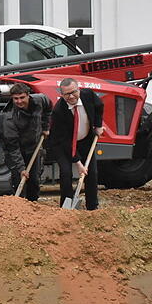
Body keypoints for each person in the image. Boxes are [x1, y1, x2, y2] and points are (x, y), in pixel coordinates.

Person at [49, 78, 104, 210]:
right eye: (67, 94)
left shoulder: (88, 95)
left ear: (78, 89)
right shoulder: (58, 111)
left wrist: (98, 125)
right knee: (66, 173)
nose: (71, 96)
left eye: (74, 92)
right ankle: (67, 206)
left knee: (92, 173)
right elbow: (65, 141)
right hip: (62, 145)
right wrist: (78, 163)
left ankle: (92, 206)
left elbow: (99, 106)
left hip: (85, 140)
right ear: (62, 95)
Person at [0, 82, 52, 201]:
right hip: (15, 150)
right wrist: (21, 168)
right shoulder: (9, 117)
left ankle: (33, 205)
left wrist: (45, 126)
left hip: (34, 147)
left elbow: (49, 107)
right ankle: (19, 206)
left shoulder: (40, 100)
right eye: (15, 99)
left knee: (34, 180)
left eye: (22, 97)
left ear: (28, 95)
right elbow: (12, 147)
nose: (19, 101)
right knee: (19, 179)